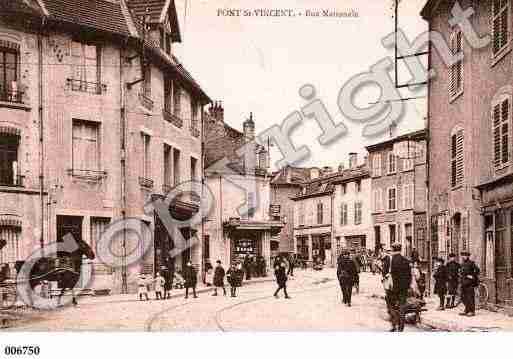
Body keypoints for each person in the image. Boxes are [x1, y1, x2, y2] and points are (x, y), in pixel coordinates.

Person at [384, 243, 412, 332]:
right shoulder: (406, 260)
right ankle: (401, 327)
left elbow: (385, 274)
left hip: (392, 288)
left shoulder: (390, 260)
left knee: (391, 306)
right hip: (403, 288)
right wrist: (407, 286)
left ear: (392, 249)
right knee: (401, 307)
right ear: (400, 249)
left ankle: (393, 325)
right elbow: (409, 276)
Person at [459, 251, 480, 316]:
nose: (463, 257)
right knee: (463, 297)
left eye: (465, 255)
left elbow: (477, 270)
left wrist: (472, 276)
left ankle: (472, 311)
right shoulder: (462, 264)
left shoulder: (471, 263)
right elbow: (461, 272)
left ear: (468, 256)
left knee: (470, 297)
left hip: (469, 283)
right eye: (462, 255)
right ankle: (467, 309)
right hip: (463, 282)